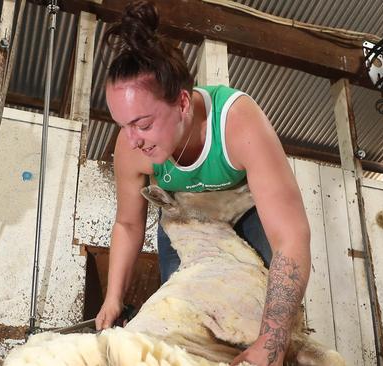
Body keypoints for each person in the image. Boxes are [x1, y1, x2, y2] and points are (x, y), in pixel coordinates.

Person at [93, 2, 311, 366]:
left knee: (272, 325)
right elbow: (129, 224)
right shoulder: (132, 149)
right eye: (122, 125)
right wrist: (113, 297)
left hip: (244, 212)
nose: (132, 141)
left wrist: (274, 341)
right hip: (185, 219)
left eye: (142, 124)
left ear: (181, 102)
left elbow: (292, 236)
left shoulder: (237, 123)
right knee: (180, 316)